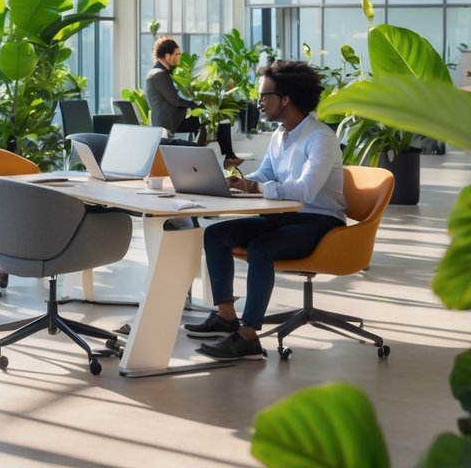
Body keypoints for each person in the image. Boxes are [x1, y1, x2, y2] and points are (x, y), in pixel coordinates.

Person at [183, 59, 347, 360]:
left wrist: (253, 189)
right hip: (285, 216)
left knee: (261, 247)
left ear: (286, 99)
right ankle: (226, 317)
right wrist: (236, 182)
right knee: (216, 234)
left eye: (264, 96)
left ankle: (248, 337)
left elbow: (305, 189)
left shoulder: (320, 138)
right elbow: (267, 175)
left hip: (320, 222)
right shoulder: (280, 135)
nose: (259, 103)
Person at [145, 36, 241, 168]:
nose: (179, 57)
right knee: (218, 117)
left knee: (209, 120)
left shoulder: (155, 72)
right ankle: (226, 156)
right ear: (167, 56)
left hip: (169, 119)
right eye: (177, 54)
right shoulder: (160, 74)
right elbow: (175, 100)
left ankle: (206, 152)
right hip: (172, 122)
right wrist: (198, 104)